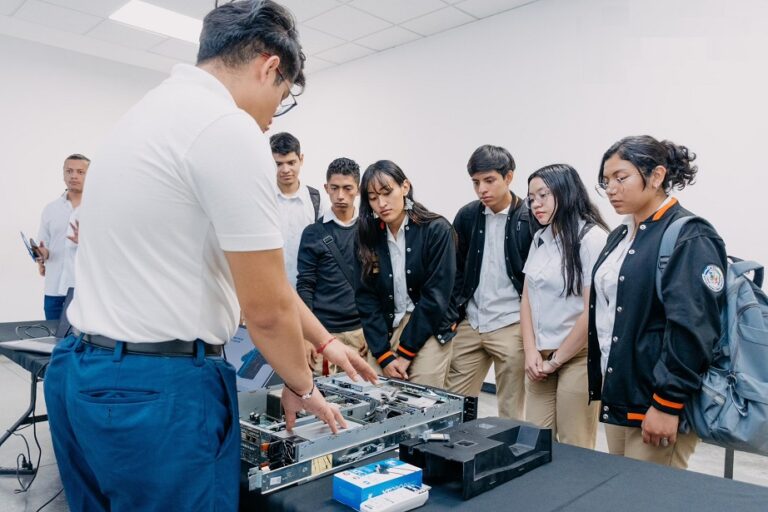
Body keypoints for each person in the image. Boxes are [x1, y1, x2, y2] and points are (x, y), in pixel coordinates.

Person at [43, 2, 376, 511]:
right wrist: (303, 386)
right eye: (281, 98)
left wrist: (324, 341)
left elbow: (258, 279)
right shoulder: (226, 128)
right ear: (270, 67)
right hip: (155, 393)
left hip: (80, 372)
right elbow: (264, 309)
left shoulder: (144, 116)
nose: (269, 120)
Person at [588, 135, 726, 468]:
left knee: (647, 499)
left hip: (657, 401)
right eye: (606, 181)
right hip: (620, 392)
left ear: (657, 176)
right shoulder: (621, 234)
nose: (611, 189)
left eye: (622, 178)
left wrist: (667, 403)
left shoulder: (689, 234)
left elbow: (693, 328)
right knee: (619, 494)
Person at [445, 145, 536, 418]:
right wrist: (455, 314)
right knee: (454, 403)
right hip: (471, 322)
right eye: (476, 182)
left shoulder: (529, 217)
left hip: (512, 324)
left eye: (489, 180)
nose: (482, 189)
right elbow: (456, 268)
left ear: (509, 177)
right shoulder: (467, 215)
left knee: (511, 409)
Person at [520, 164, 608, 449]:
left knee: (574, 448)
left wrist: (556, 360)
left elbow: (591, 310)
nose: (536, 204)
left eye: (543, 195)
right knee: (534, 443)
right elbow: (527, 298)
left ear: (565, 192)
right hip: (540, 358)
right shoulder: (540, 238)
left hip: (577, 358)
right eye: (532, 198)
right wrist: (531, 351)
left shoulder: (591, 239)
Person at [355, 160, 456, 388]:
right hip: (386, 322)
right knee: (374, 397)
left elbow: (436, 297)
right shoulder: (366, 236)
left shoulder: (437, 230)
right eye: (372, 197)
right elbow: (365, 298)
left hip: (427, 323)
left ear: (405, 187)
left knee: (421, 401)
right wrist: (383, 354)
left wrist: (405, 353)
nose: (381, 203)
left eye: (387, 192)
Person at [297, 157, 367, 375]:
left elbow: (380, 283)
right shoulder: (313, 233)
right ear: (326, 188)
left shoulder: (370, 230)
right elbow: (305, 285)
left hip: (361, 333)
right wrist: (307, 336)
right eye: (334, 188)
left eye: (347, 188)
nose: (340, 196)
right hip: (323, 333)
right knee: (323, 403)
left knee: (363, 402)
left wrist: (375, 331)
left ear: (358, 190)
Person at [271, 131, 330, 287]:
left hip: (309, 290)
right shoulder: (263, 199)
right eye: (278, 163)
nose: (285, 169)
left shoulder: (316, 200)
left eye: (291, 162)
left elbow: (325, 249)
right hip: (272, 290)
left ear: (301, 159)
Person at [36, 153, 89, 319]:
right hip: (54, 289)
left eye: (80, 172)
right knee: (53, 340)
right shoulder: (50, 209)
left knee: (83, 342)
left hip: (84, 292)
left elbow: (109, 251)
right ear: (63, 174)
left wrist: (85, 242)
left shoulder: (98, 209)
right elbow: (44, 245)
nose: (74, 176)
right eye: (69, 171)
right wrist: (42, 254)